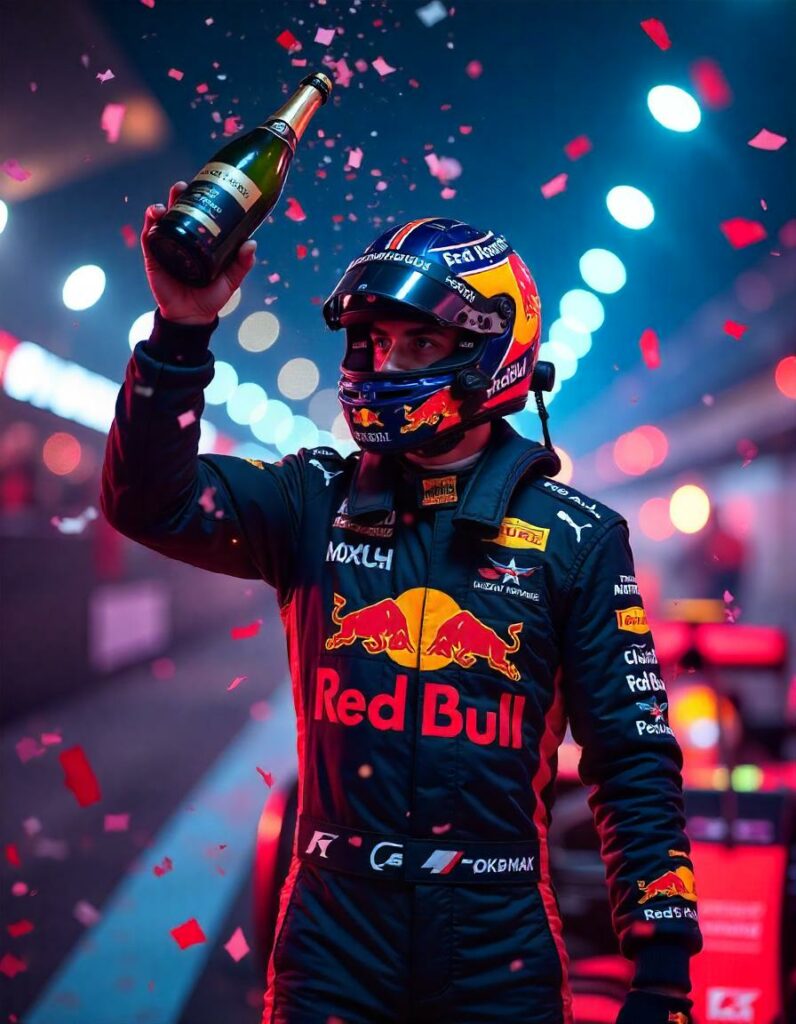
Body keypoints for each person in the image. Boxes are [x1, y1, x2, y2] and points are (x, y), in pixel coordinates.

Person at [101, 186, 702, 1024]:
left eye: (420, 343)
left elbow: (631, 756)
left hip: (498, 947)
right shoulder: (312, 499)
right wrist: (180, 327)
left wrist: (663, 970)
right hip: (333, 940)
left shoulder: (579, 537)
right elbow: (147, 501)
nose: (386, 367)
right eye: (375, 342)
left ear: (494, 353)